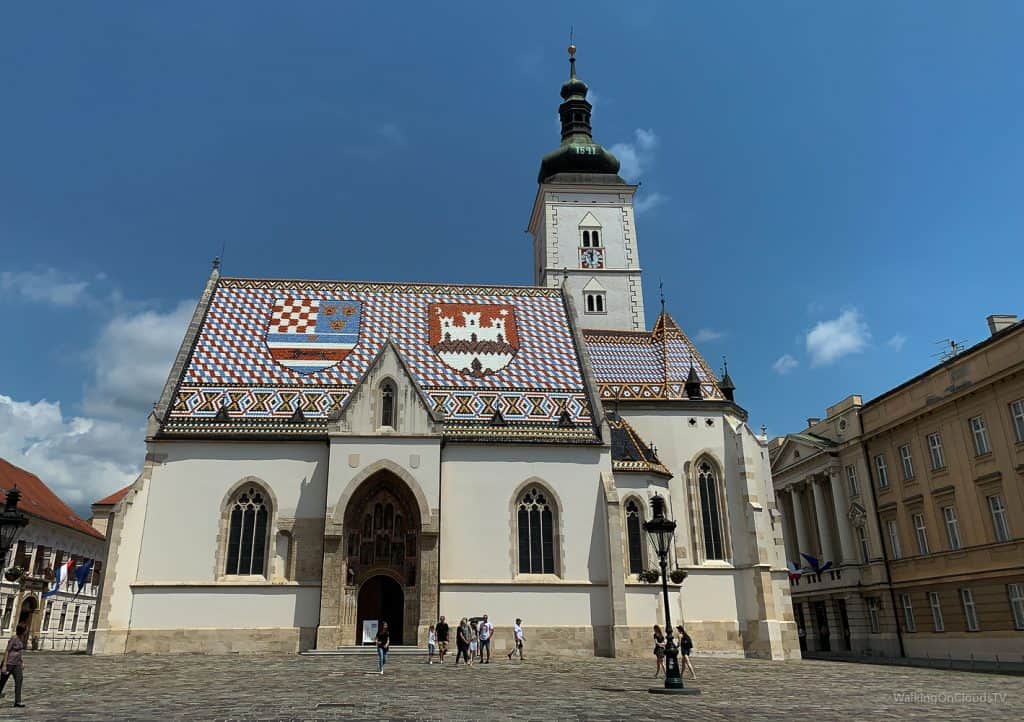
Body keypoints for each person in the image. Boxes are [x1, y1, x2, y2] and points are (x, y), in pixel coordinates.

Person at [0, 623, 27, 708]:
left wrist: (22, 662)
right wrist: (4, 665)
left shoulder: (21, 639)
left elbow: (19, 652)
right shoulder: (14, 638)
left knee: (19, 680)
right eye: (25, 630)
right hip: (9, 663)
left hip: (17, 664)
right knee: (2, 682)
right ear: (22, 631)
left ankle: (17, 702)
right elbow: (7, 651)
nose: (26, 631)